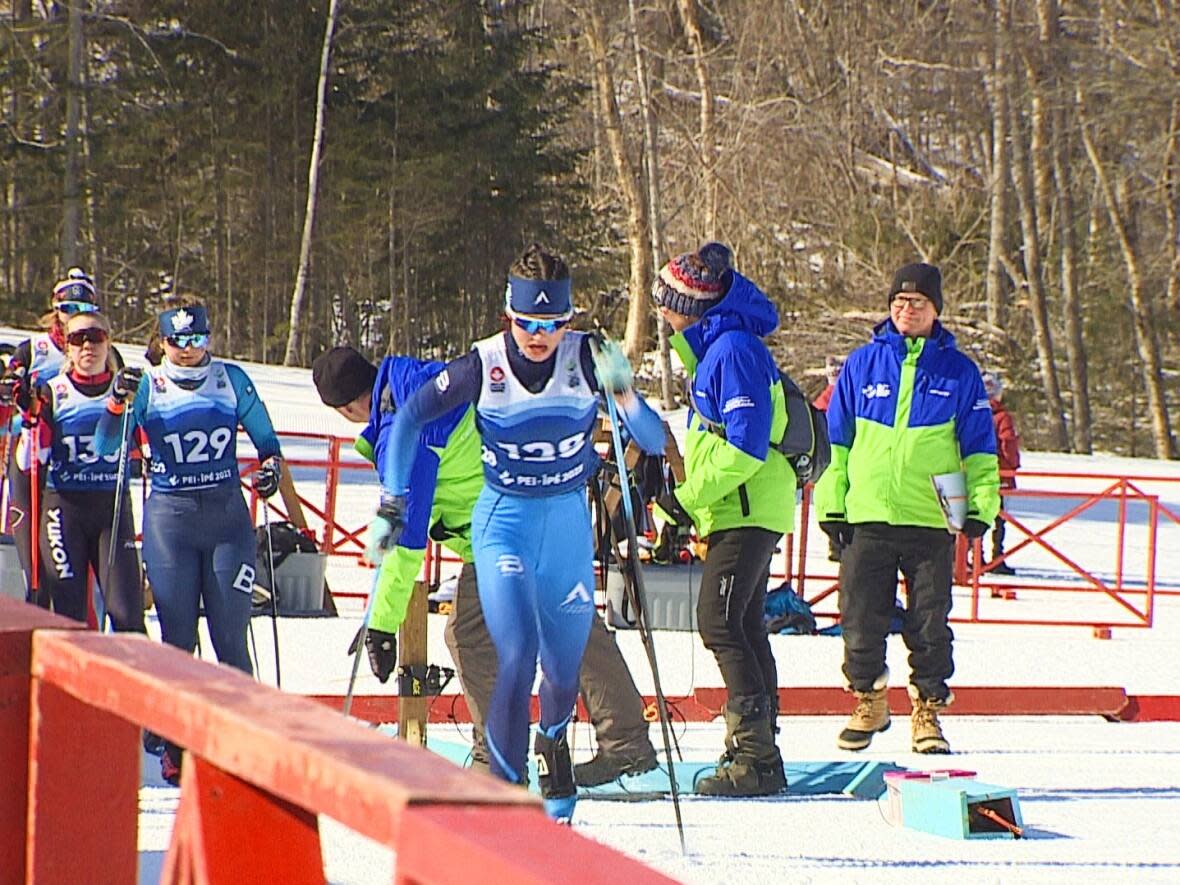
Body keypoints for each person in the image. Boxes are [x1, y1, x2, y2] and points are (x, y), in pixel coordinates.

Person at [374, 244, 665, 821]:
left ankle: (553, 741)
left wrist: (625, 392)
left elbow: (653, 439)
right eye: (528, 323)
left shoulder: (590, 357)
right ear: (508, 316)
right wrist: (392, 499)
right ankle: (508, 797)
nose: (539, 335)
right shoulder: (483, 365)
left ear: (569, 319)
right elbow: (409, 419)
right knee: (518, 654)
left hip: (564, 529)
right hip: (503, 522)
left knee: (562, 668)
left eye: (553, 324)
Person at [312, 346, 659, 783]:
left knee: (471, 632)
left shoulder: (408, 428)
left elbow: (407, 537)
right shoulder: (426, 381)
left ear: (346, 408)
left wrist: (382, 623)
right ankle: (623, 740)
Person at [814, 262, 1000, 755]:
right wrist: (833, 507)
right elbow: (837, 444)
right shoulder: (862, 364)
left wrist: (979, 506)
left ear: (935, 309)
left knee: (930, 623)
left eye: (917, 303)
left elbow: (979, 449)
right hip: (868, 514)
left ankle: (928, 712)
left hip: (932, 517)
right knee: (858, 619)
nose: (906, 310)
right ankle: (869, 698)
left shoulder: (959, 372)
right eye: (898, 302)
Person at [94, 302, 283, 781]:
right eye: (179, 342)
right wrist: (116, 402)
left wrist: (271, 470)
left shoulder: (231, 379)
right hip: (171, 522)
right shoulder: (148, 384)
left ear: (210, 338)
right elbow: (105, 445)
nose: (189, 351)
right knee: (178, 639)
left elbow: (267, 442)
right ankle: (176, 743)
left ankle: (242, 740)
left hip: (226, 521)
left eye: (198, 340)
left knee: (230, 636)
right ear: (163, 342)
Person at [650, 244, 793, 797]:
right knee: (744, 625)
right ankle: (759, 751)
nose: (662, 314)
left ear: (692, 306)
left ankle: (754, 755)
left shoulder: (732, 350)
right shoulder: (715, 349)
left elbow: (745, 449)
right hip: (741, 506)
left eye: (667, 304)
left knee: (719, 622)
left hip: (749, 507)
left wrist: (686, 500)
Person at [13, 311, 145, 631]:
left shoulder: (127, 391)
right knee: (70, 617)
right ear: (68, 348)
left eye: (96, 337)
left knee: (127, 614)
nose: (88, 345)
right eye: (77, 339)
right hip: (64, 511)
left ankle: (129, 679)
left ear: (108, 343)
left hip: (111, 510)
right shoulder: (53, 391)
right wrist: (30, 423)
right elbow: (29, 460)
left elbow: (151, 444)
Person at [1, 269, 113, 599]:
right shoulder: (33, 349)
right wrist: (13, 390)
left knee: (84, 575)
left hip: (82, 465)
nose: (72, 319)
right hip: (33, 458)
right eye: (67, 310)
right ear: (55, 309)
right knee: (35, 567)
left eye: (83, 309)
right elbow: (10, 384)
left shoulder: (104, 350)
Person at [982, 371, 1020, 577]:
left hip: (976, 472)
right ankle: (997, 556)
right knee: (999, 516)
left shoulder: (972, 412)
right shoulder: (1002, 417)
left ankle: (974, 557)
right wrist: (1012, 465)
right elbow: (1008, 443)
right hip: (999, 473)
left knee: (977, 514)